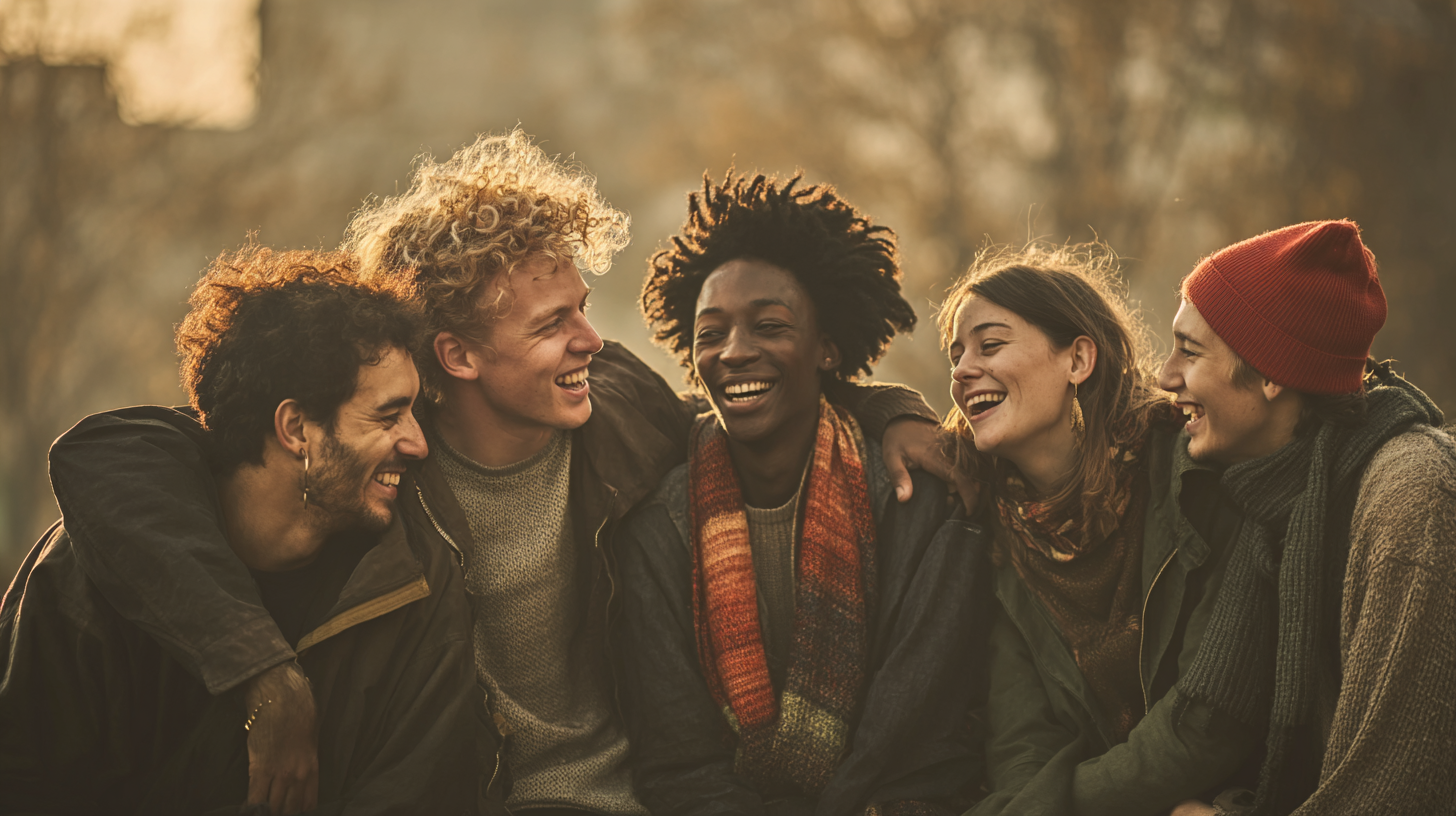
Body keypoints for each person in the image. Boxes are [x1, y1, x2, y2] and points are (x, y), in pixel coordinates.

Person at [42, 130, 945, 816]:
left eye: (582, 309)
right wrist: (262, 674)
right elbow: (119, 457)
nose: (592, 340)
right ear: (458, 357)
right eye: (554, 324)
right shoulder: (379, 464)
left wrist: (888, 409)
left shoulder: (622, 416)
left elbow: (751, 408)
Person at [0, 247, 483, 815]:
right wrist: (266, 677)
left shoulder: (416, 588)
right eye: (387, 415)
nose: (418, 444)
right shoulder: (91, 567)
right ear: (296, 428)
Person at [617, 171, 990, 816]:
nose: (735, 352)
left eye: (769, 326)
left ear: (827, 350)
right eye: (711, 333)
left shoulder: (915, 499)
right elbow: (680, 765)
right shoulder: (659, 529)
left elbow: (914, 738)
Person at [942, 244, 1261, 816]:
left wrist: (1052, 805)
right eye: (955, 354)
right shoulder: (997, 531)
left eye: (990, 345)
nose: (962, 371)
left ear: (1078, 359)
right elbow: (1021, 739)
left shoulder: (1192, 477)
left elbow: (1207, 726)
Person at [1155, 220, 1454, 815]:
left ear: (1271, 373)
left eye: (1189, 351)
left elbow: (1398, 792)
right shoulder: (1285, 497)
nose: (1164, 376)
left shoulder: (1413, 506)